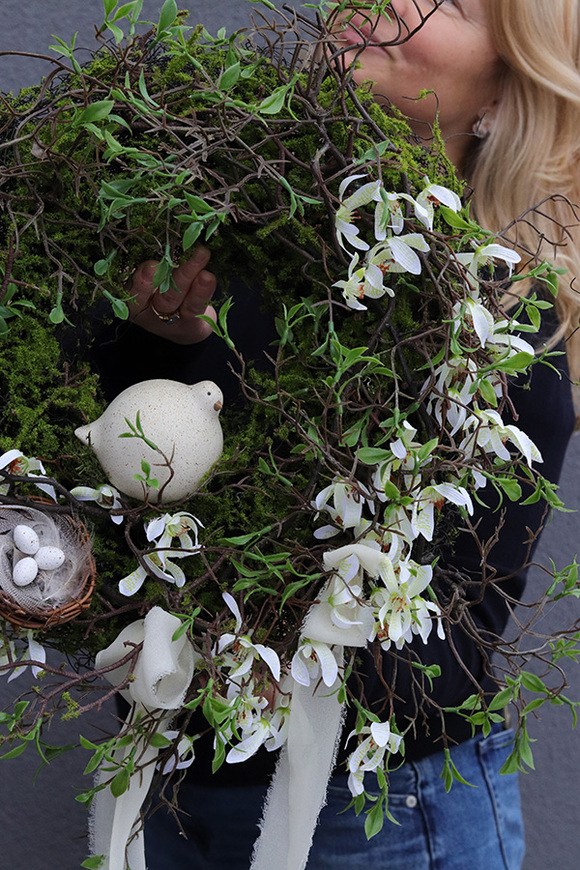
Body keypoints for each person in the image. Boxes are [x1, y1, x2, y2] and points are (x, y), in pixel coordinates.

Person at [95, 2, 580, 868]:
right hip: (171, 787)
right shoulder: (216, 225)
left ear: (503, 91)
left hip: (381, 816)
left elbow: (440, 643)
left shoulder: (501, 324)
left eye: (452, 1)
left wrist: (248, 643)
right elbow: (119, 493)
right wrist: (156, 347)